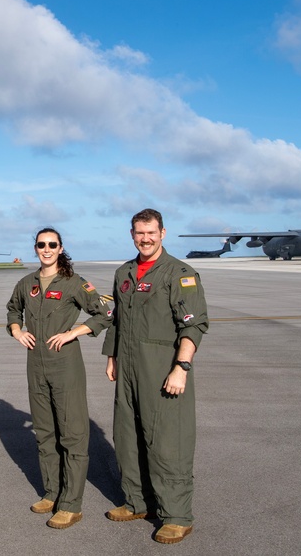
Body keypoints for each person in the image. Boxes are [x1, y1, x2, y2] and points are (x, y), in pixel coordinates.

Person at [103, 209, 209, 545]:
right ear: (131, 233)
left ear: (163, 232)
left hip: (163, 368)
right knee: (128, 436)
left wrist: (182, 367)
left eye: (151, 233)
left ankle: (177, 515)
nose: (145, 239)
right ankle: (138, 502)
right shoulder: (124, 272)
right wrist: (113, 355)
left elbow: (193, 324)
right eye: (139, 233)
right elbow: (118, 319)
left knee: (167, 442)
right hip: (129, 369)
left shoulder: (180, 273)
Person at [6, 227, 110, 530]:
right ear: (36, 248)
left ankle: (71, 504)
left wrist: (74, 332)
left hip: (65, 365)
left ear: (60, 248)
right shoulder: (27, 283)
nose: (46, 249)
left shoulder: (74, 283)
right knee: (45, 432)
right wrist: (17, 330)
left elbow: (103, 313)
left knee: (72, 434)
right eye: (41, 244)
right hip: (35, 366)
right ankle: (52, 492)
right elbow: (13, 310)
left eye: (52, 244)